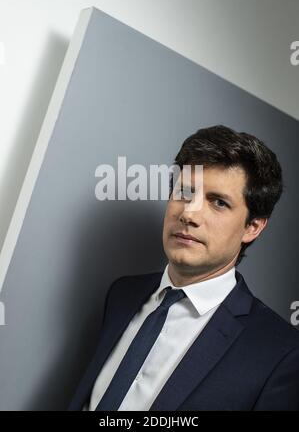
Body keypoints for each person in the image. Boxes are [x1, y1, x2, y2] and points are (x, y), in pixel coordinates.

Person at [68, 125, 299, 411]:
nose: (189, 213)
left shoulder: (280, 353)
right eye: (185, 192)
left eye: (218, 202)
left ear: (252, 227)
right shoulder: (122, 294)